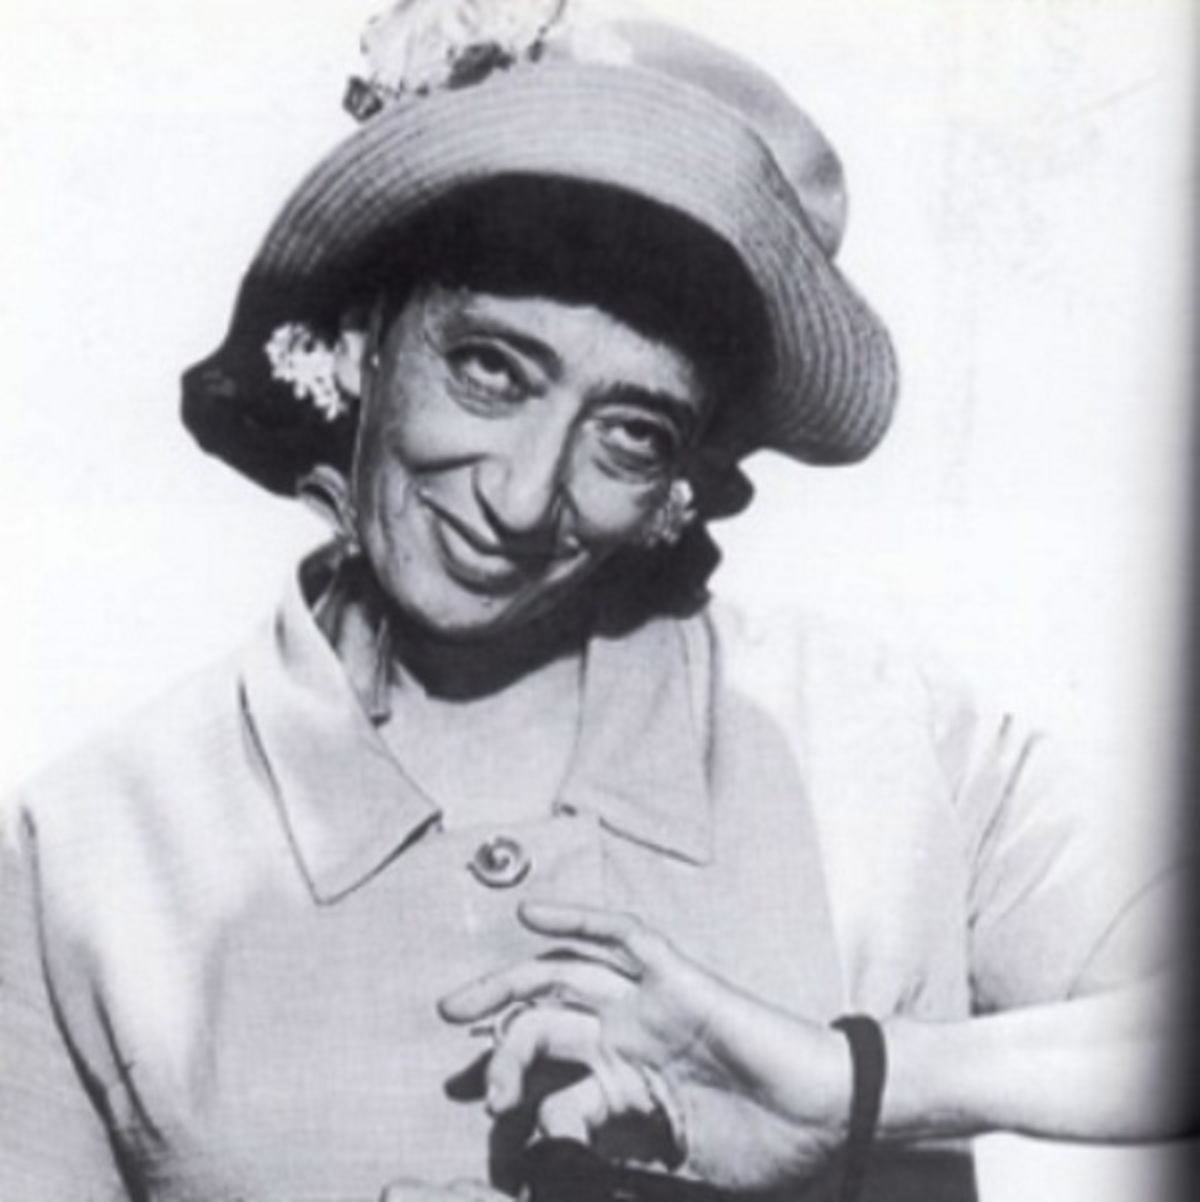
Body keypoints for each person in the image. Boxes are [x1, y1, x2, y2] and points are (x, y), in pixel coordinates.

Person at [0, 2, 1185, 1200]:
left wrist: (853, 1082)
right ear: (364, 335)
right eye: (489, 367)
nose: (521, 496)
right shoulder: (85, 855)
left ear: (685, 482)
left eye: (630, 433)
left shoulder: (885, 741)